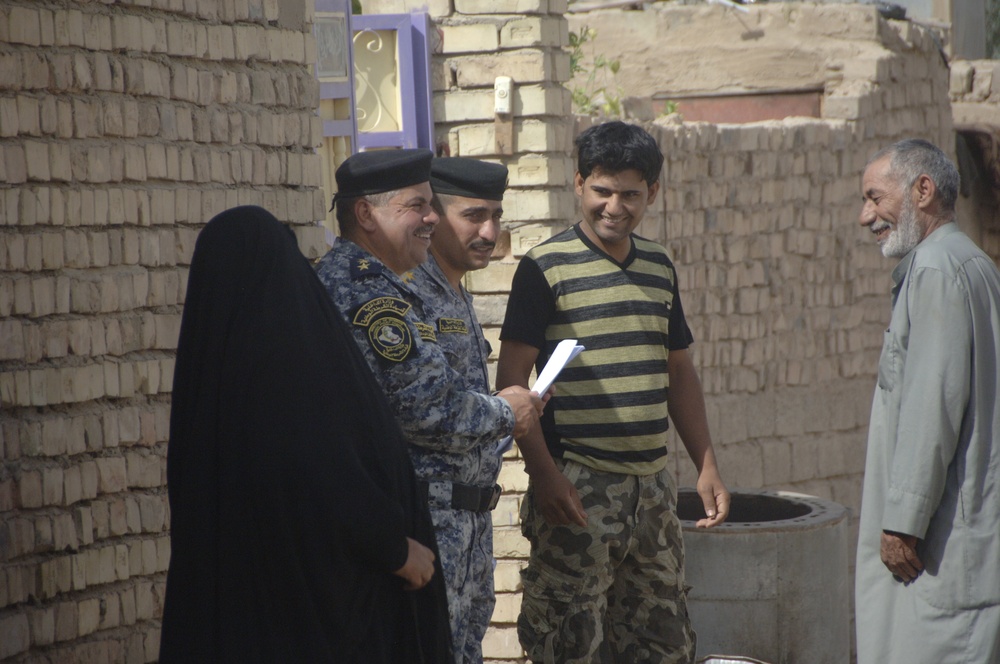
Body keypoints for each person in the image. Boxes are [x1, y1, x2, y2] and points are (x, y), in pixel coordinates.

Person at [160, 206, 452, 663]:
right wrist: (393, 549)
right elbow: (323, 477)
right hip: (321, 619)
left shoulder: (212, 381)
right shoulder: (290, 373)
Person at [496, 121, 730, 663]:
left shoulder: (658, 266)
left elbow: (677, 372)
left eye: (629, 194)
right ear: (578, 184)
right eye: (602, 191)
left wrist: (707, 464)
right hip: (577, 487)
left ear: (652, 193)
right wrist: (544, 475)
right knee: (569, 642)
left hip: (652, 492)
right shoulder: (543, 269)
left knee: (663, 644)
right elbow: (511, 386)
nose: (614, 207)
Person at [313, 150, 547, 660]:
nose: (431, 218)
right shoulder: (369, 292)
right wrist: (509, 411)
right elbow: (430, 411)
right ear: (367, 215)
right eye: (418, 206)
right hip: (419, 525)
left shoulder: (394, 281)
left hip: (454, 523)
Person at [854, 139, 1000, 664]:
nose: (866, 215)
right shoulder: (968, 262)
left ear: (923, 190)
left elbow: (932, 405)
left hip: (942, 548)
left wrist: (903, 523)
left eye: (875, 197)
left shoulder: (937, 269)